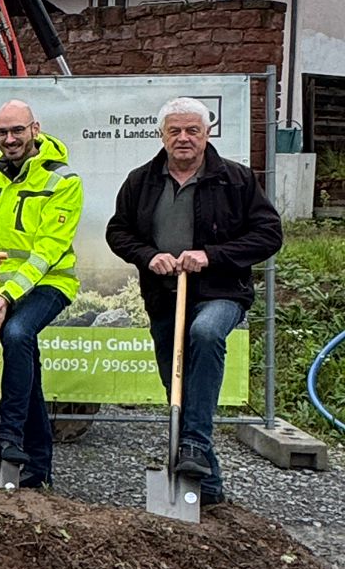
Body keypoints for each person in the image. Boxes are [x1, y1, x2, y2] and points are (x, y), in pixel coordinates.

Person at [105, 95, 282, 505]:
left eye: (192, 130)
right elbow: (118, 232)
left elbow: (269, 234)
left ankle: (195, 445)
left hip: (222, 292)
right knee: (178, 387)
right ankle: (209, 489)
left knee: (205, 333)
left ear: (207, 134)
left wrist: (211, 256)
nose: (183, 138)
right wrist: (149, 256)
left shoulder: (236, 180)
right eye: (175, 131)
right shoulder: (141, 181)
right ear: (162, 135)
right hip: (164, 296)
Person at [0, 99, 82, 489]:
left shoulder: (63, 180)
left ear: (35, 130)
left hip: (48, 283)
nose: (9, 139)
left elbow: (47, 250)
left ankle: (9, 434)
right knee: (28, 370)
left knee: (17, 333)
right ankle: (38, 468)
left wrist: (8, 296)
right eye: (2, 132)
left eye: (17, 131)